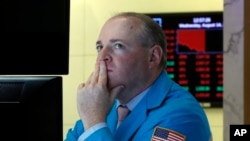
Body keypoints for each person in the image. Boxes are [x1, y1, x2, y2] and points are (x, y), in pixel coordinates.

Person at [65, 12, 212, 141]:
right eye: (99, 47)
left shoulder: (182, 116)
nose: (101, 57)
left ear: (153, 57)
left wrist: (94, 124)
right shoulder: (103, 104)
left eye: (118, 46)